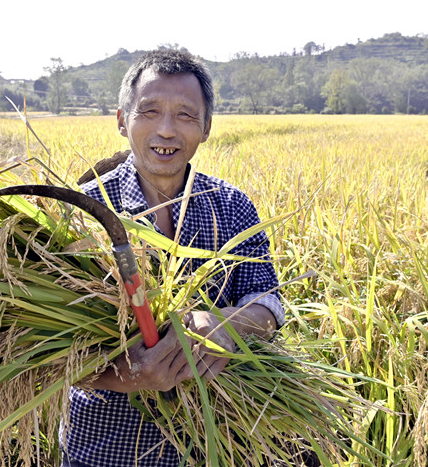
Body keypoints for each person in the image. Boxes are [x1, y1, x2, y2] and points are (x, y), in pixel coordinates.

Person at [62, 49, 285, 467]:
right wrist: (126, 375)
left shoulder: (233, 208)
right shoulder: (82, 213)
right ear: (121, 120)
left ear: (206, 128)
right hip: (105, 449)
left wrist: (227, 326)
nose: (166, 130)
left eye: (185, 115)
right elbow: (44, 355)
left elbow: (269, 302)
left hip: (214, 445)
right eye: (150, 111)